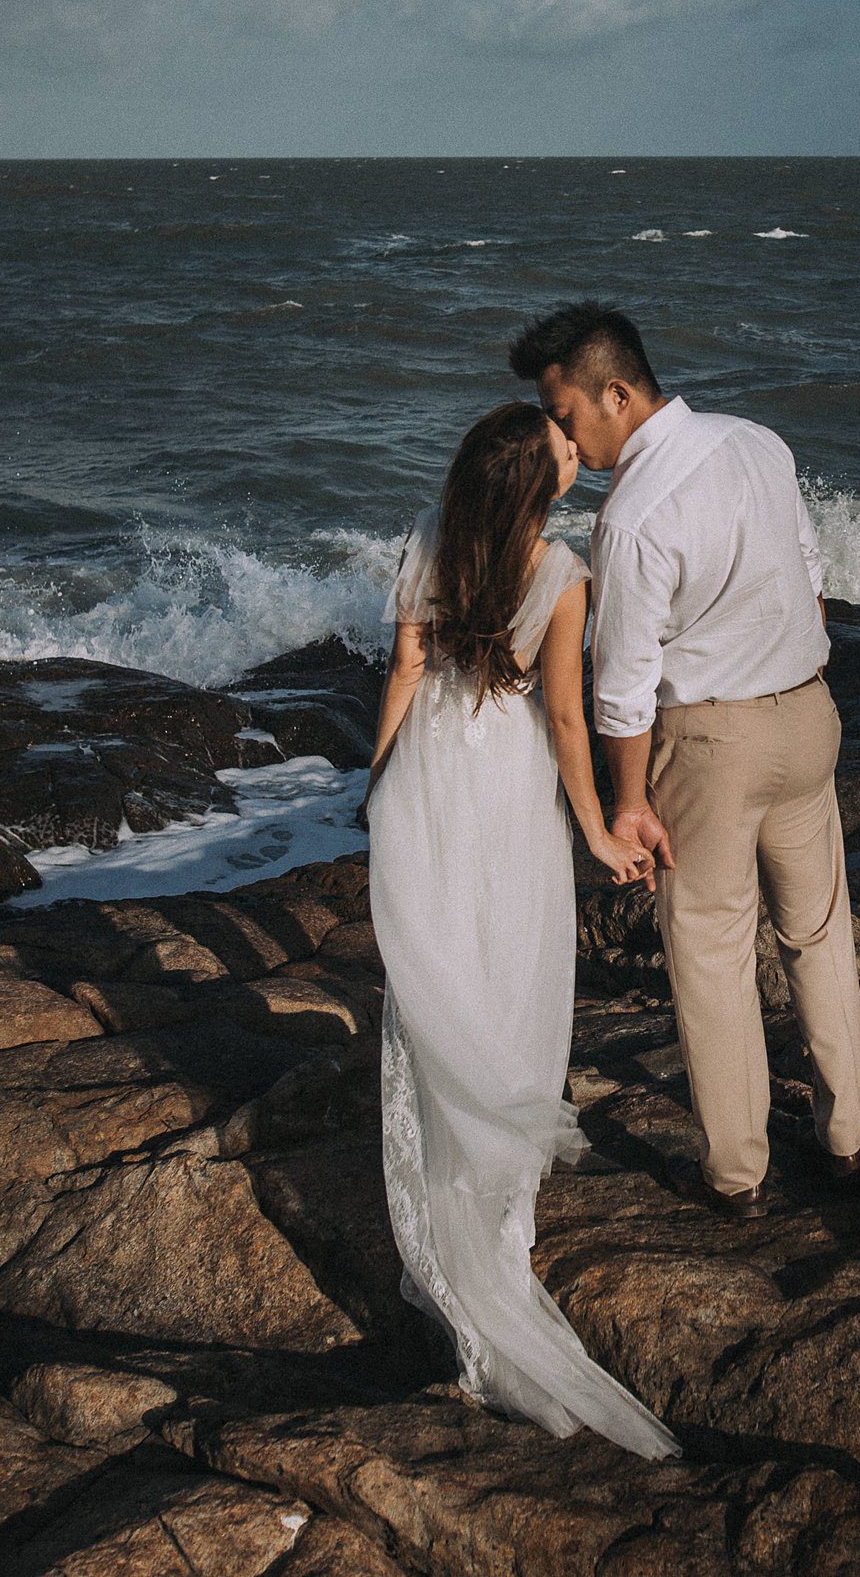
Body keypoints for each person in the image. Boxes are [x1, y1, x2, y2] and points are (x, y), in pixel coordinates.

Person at [365, 400, 680, 1459]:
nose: (573, 460)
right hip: (505, 787)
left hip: (430, 775)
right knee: (502, 978)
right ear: (538, 490)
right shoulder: (564, 573)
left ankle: (447, 1222)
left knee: (435, 972)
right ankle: (495, 1219)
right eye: (559, 456)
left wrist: (378, 787)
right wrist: (593, 828)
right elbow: (560, 717)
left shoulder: (425, 541)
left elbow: (406, 673)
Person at [510, 303, 860, 1218]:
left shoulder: (630, 517)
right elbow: (810, 575)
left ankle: (739, 1176)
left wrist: (629, 801)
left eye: (566, 414)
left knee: (711, 955)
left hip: (712, 742)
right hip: (809, 714)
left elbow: (623, 686)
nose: (562, 434)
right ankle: (843, 1141)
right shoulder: (759, 441)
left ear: (616, 393)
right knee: (819, 933)